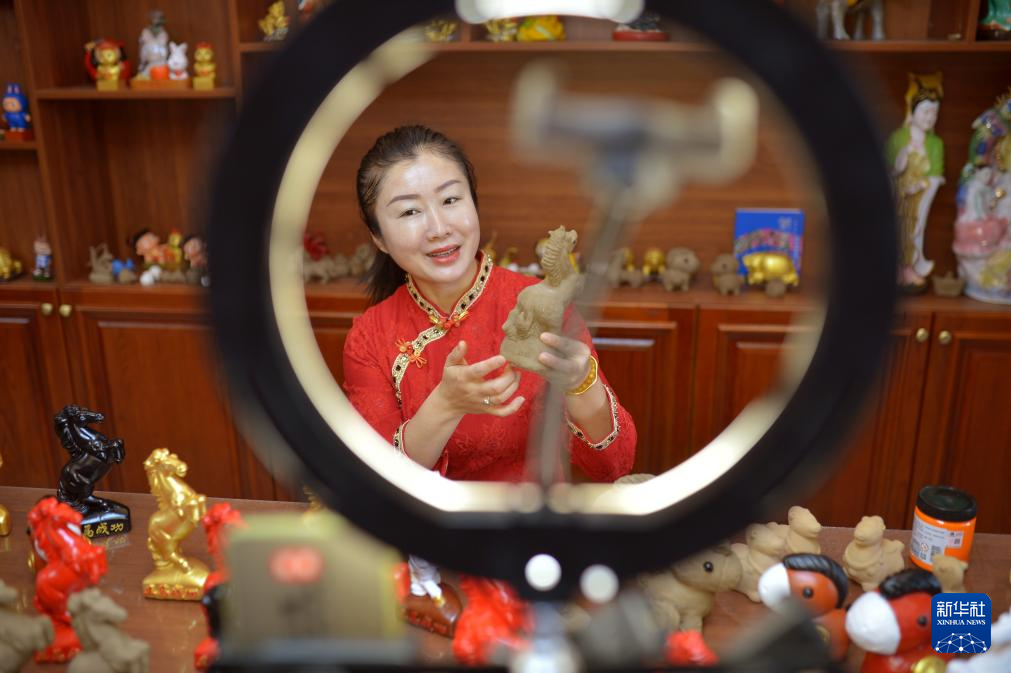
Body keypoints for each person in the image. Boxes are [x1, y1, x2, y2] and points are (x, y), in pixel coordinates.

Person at [342, 125, 636, 483]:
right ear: (378, 238)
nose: (439, 228)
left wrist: (581, 384)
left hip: (530, 515)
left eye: (450, 200)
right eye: (409, 212)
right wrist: (446, 405)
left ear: (474, 202)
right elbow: (376, 482)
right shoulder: (369, 338)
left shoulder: (541, 304)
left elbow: (616, 465)